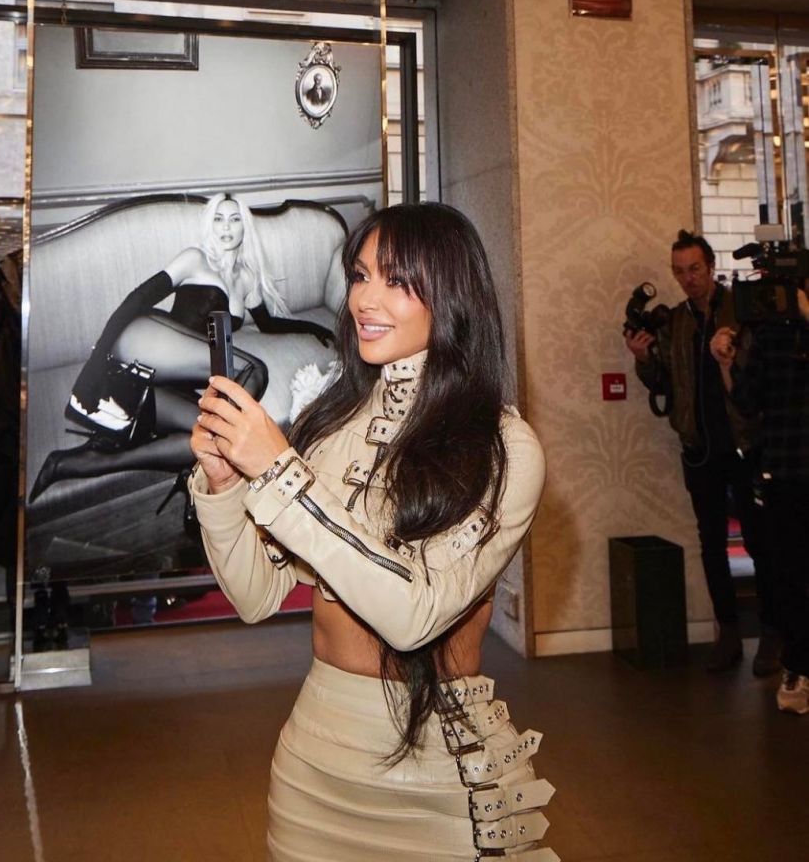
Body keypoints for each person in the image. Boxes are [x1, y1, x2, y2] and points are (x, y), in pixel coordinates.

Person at [189, 203, 554, 862]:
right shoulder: (330, 423)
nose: (365, 299)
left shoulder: (503, 448)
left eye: (397, 280)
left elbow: (414, 616)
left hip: (436, 774)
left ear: (452, 296)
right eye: (360, 276)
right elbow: (256, 596)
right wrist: (224, 488)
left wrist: (280, 474)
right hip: (314, 766)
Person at [29, 193, 334, 503]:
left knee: (204, 438)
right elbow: (138, 297)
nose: (226, 227)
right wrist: (97, 358)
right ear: (210, 225)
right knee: (254, 370)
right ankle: (251, 461)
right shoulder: (195, 259)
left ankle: (76, 463)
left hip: (167, 377)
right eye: (218, 219)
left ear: (245, 226)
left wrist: (311, 327)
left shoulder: (247, 278)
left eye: (234, 219)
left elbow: (268, 323)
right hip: (147, 341)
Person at [625, 229, 778, 675]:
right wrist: (642, 358)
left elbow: (761, 373)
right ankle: (727, 632)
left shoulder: (741, 311)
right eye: (679, 271)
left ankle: (771, 632)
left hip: (746, 444)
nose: (688, 278)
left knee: (760, 541)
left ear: (711, 267)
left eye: (694, 269)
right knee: (711, 543)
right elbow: (662, 382)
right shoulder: (675, 322)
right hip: (699, 448)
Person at [711, 275, 809, 714]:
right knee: (789, 576)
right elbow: (747, 402)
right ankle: (798, 668)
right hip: (785, 471)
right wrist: (726, 363)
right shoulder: (772, 337)